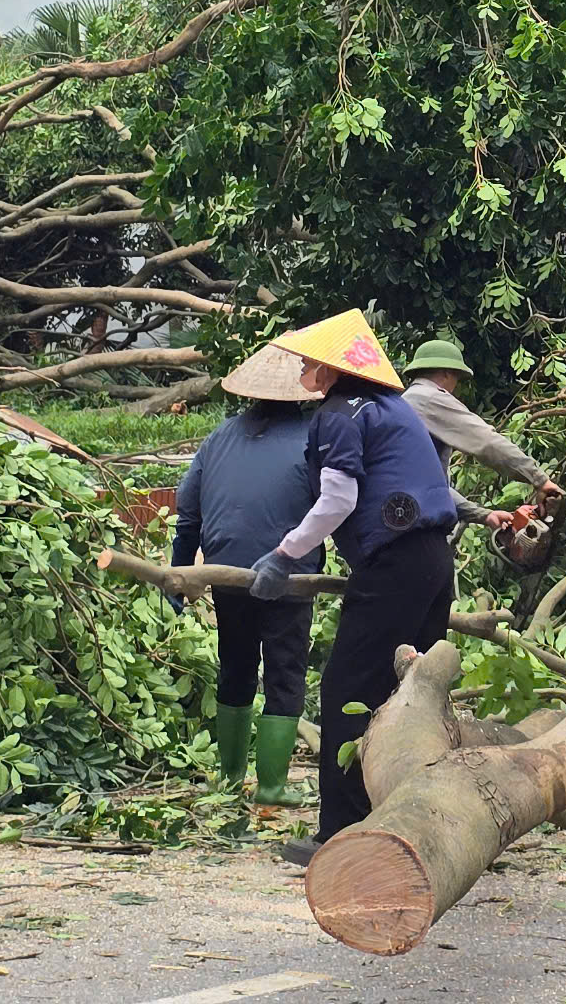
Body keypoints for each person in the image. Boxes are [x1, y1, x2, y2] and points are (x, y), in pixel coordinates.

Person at [246, 309, 457, 863]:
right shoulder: (395, 409)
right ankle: (422, 822)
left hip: (393, 566)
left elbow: (337, 501)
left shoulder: (340, 413)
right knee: (413, 696)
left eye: (309, 361)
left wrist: (284, 554)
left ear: (333, 366)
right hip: (436, 562)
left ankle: (340, 833)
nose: (302, 370)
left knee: (348, 693)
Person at [169, 342, 321, 806]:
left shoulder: (218, 437)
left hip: (226, 572)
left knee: (235, 665)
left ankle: (229, 777)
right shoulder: (314, 437)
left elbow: (188, 513)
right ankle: (272, 786)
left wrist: (180, 572)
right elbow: (334, 507)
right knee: (285, 672)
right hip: (288, 577)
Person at [402, 335, 564, 530]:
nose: (455, 387)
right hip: (413, 531)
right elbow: (486, 442)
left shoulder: (406, 402)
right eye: (457, 379)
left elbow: (431, 488)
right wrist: (540, 479)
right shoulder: (428, 399)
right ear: (446, 373)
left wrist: (484, 515)